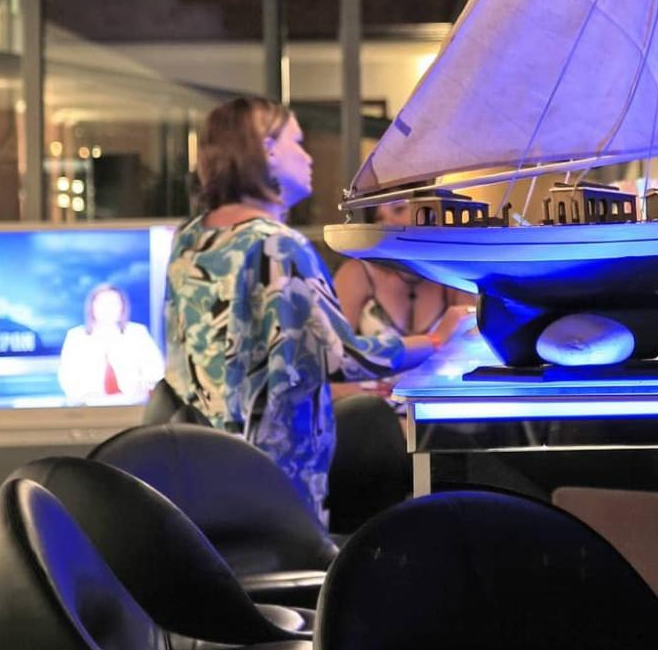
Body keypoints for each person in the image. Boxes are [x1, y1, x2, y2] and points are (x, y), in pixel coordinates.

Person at [163, 96, 463, 524]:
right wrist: (437, 339)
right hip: (275, 479)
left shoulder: (191, 239)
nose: (307, 157)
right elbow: (342, 356)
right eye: (297, 143)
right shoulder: (277, 245)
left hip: (205, 473)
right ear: (266, 150)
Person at [333, 196, 475, 387]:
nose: (387, 224)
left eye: (399, 209)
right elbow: (331, 362)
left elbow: (476, 345)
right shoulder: (357, 273)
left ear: (430, 212)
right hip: (371, 401)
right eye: (379, 218)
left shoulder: (451, 274)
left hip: (435, 399)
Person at [57, 283, 164, 403]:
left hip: (132, 403)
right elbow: (67, 376)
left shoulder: (137, 333)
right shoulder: (76, 337)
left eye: (113, 304)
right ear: (92, 307)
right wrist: (82, 396)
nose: (107, 309)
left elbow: (156, 369)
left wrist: (144, 387)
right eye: (101, 303)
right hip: (89, 405)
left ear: (122, 307)